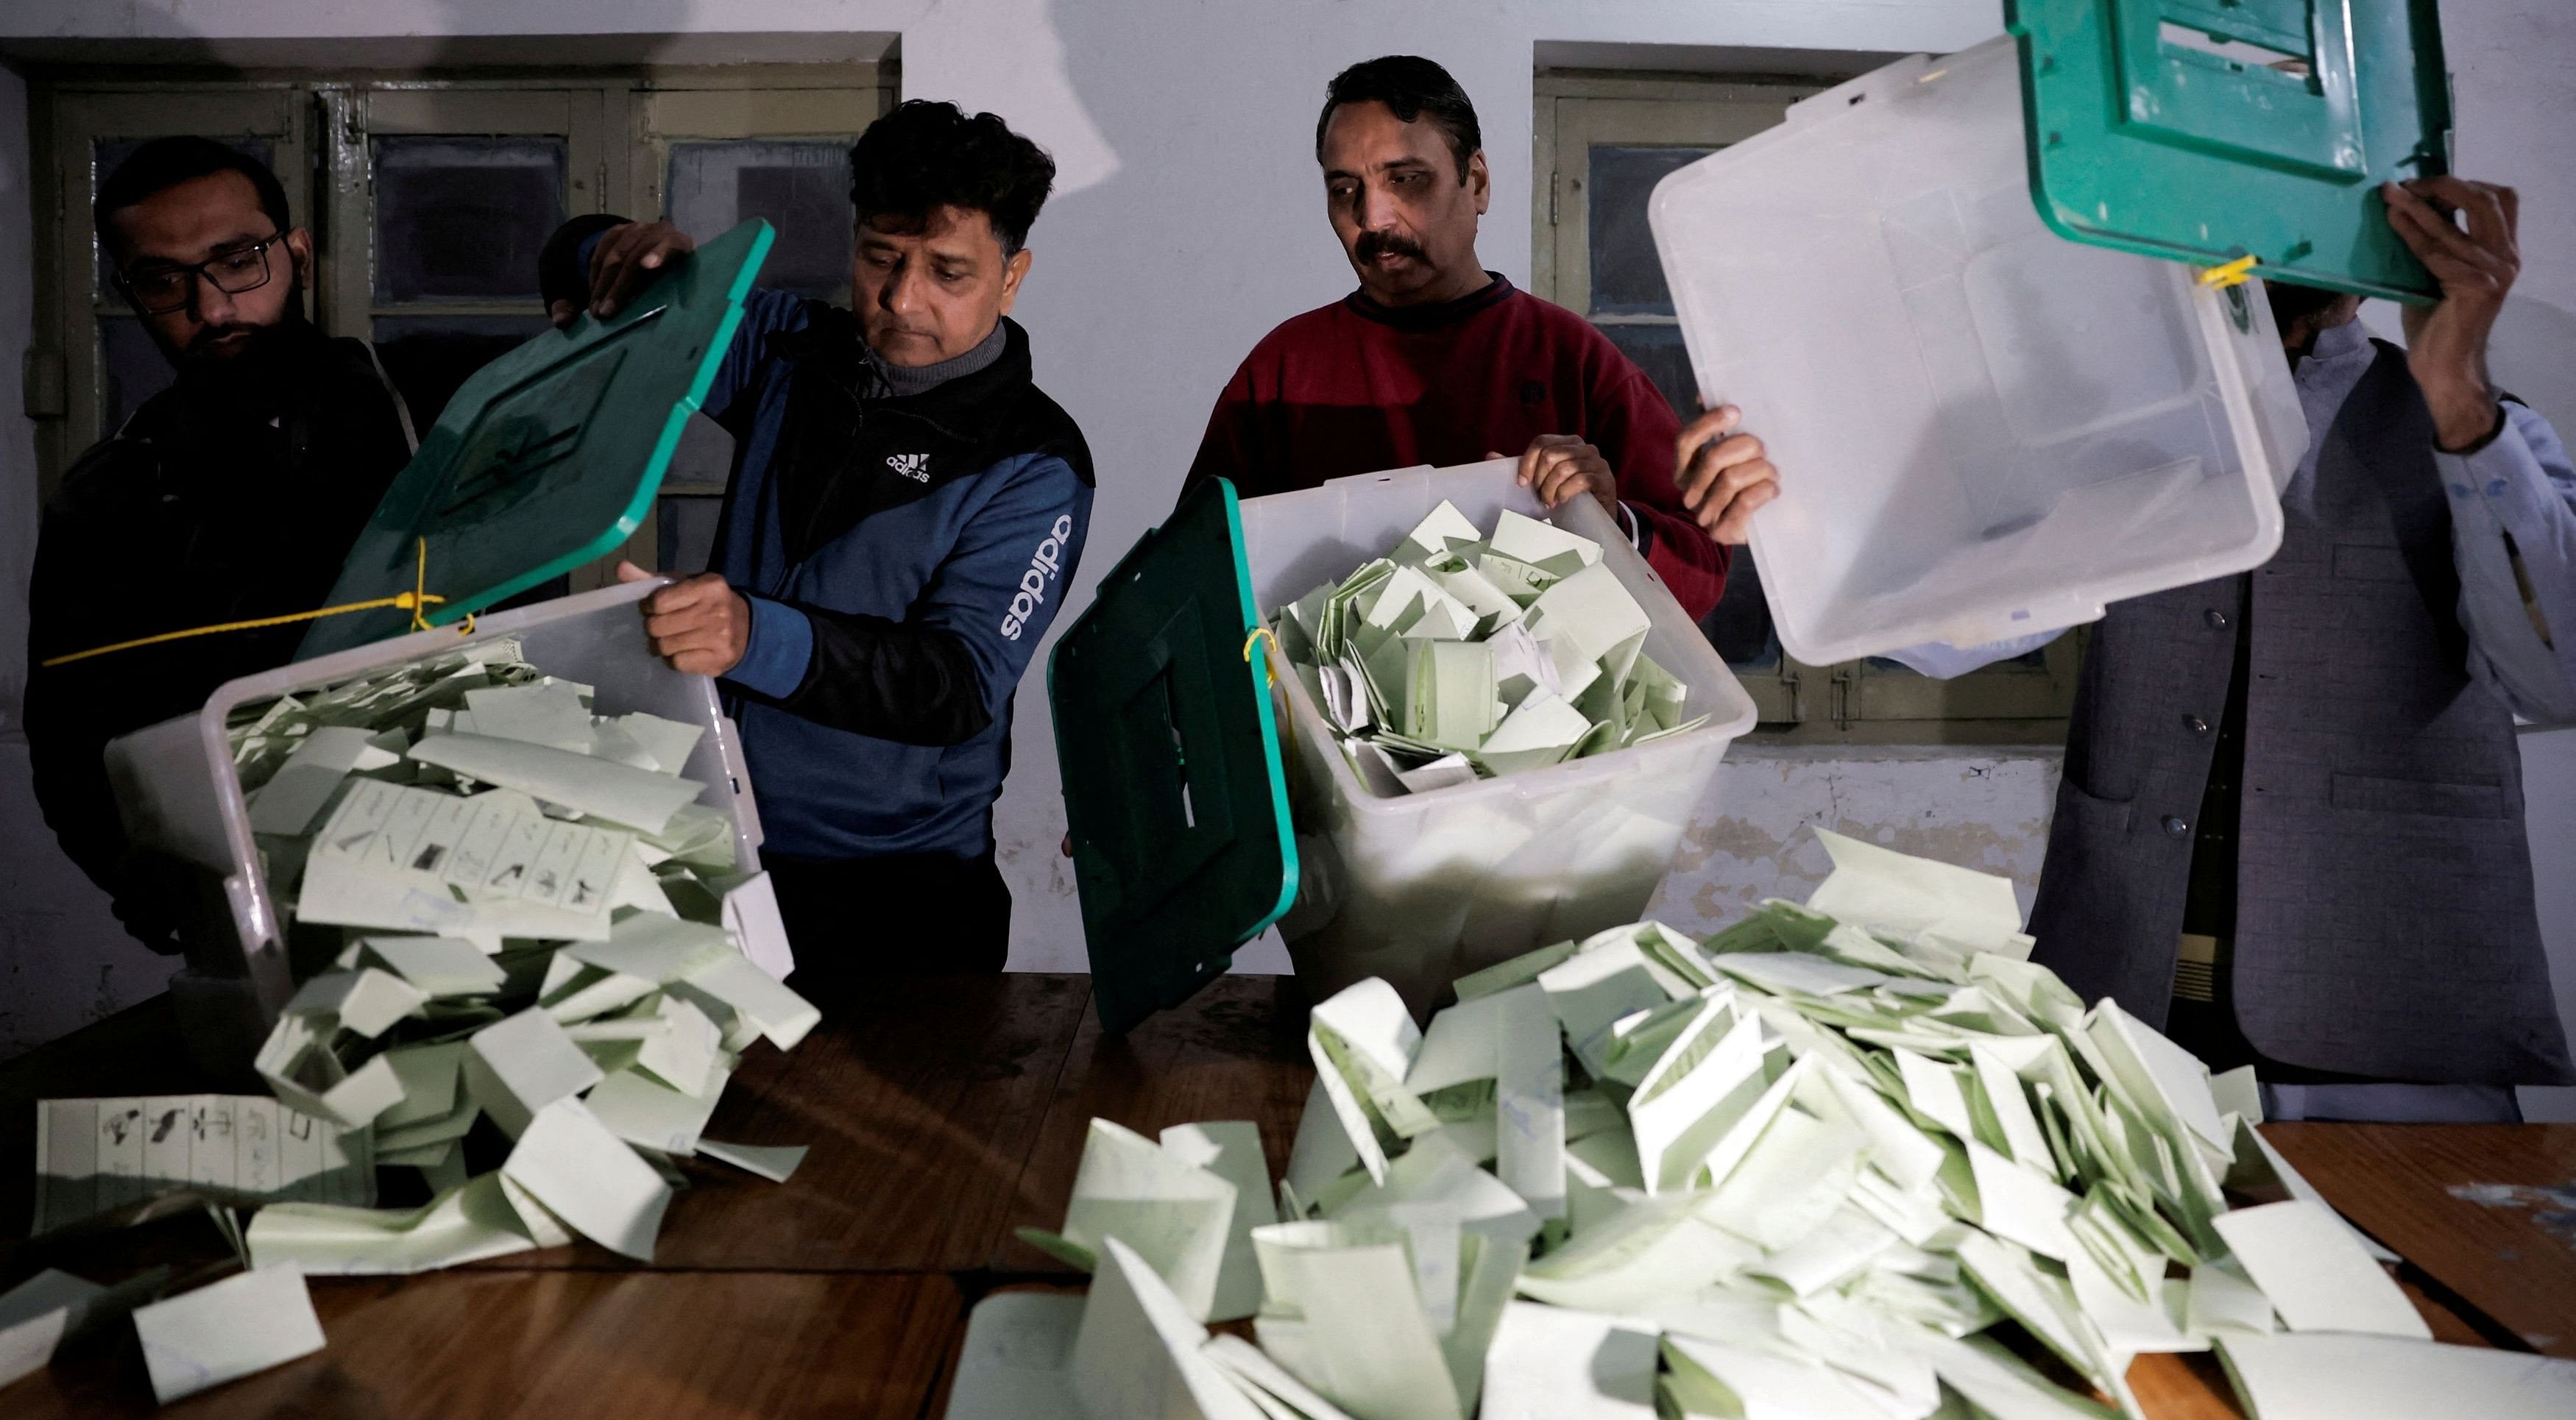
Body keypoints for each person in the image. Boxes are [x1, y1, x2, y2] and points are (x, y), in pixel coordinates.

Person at [1885, 177, 2576, 1122]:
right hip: (2125, 1008)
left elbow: (2556, 673)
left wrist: (2459, 399)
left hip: (2391, 1018)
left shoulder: (2490, 432)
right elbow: (1932, 639)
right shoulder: (2110, 434)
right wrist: (1793, 509)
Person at [553, 101, 1090, 979]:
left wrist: (750, 636)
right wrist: (615, 248)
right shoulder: (789, 350)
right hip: (714, 851)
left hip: (905, 899)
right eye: (880, 258)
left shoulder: (1034, 461)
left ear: (1011, 275)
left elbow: (953, 684)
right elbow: (601, 280)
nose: (902, 300)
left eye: (948, 272)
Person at [1188, 55, 1778, 618]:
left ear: (1477, 182)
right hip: (1317, 720)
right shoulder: (1279, 372)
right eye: (1344, 190)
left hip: (1551, 722)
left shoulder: (1573, 359)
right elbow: (1193, 579)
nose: (1373, 218)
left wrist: (1607, 522)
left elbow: (1701, 571)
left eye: (1407, 179)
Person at [26, 138, 417, 951]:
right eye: (163, 280)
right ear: (130, 293)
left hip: (476, 855)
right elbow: (70, 729)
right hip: (255, 912)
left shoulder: (426, 409)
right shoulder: (109, 493)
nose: (210, 308)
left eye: (237, 260)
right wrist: (149, 877)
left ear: (298, 253)